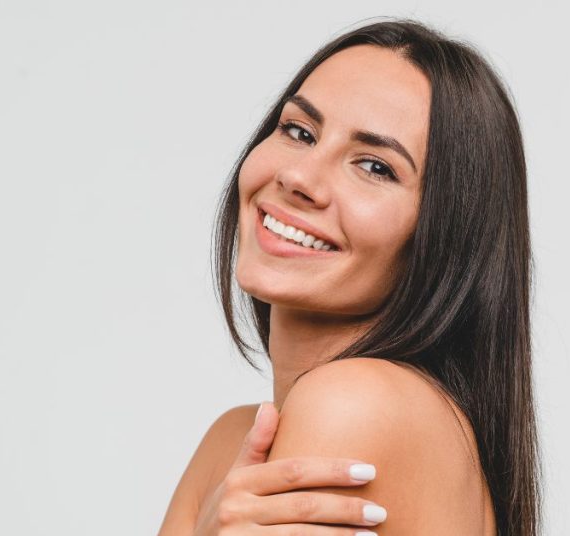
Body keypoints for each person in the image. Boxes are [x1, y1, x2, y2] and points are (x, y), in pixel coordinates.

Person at [157, 17, 541, 536]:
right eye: (299, 131)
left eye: (375, 166)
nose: (298, 178)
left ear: (444, 237)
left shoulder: (354, 405)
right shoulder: (230, 442)